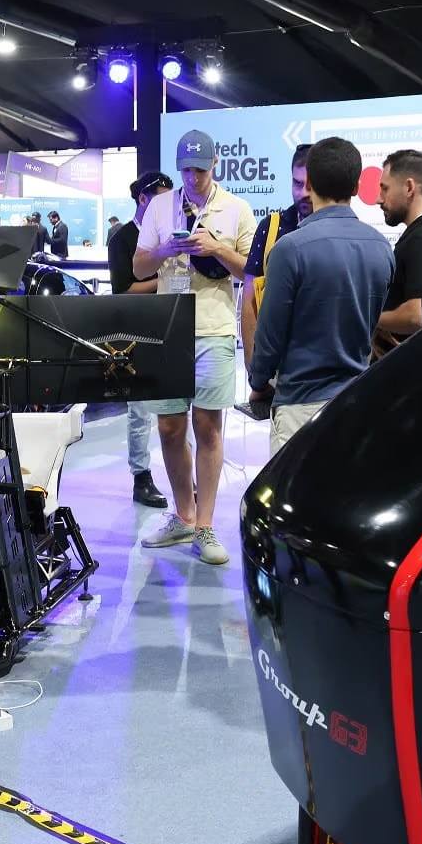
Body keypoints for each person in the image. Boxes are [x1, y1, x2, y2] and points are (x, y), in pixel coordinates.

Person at [133, 130, 254, 565]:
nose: (192, 178)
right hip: (168, 330)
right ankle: (183, 515)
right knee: (169, 428)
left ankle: (205, 525)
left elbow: (249, 270)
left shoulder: (236, 208)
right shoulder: (160, 206)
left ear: (215, 164)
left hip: (214, 330)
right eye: (186, 169)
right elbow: (138, 266)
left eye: (200, 170)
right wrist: (166, 249)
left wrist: (216, 248)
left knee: (208, 427)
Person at [247, 139, 393, 455]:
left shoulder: (289, 249)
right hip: (356, 401)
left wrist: (258, 383)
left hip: (299, 407)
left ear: (310, 183)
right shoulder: (382, 248)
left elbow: (269, 336)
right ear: (357, 187)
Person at [108, 172, 172, 508]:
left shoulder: (169, 234)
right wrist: (165, 279)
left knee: (178, 405)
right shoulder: (122, 239)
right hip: (135, 332)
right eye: (161, 198)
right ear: (143, 199)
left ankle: (184, 475)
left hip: (171, 326)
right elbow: (124, 290)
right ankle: (141, 477)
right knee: (140, 409)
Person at [242, 144, 313, 394]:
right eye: (297, 183)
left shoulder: (340, 231)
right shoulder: (271, 227)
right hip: (275, 368)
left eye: (311, 185)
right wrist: (254, 371)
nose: (303, 193)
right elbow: (250, 300)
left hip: (322, 367)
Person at [374, 149, 422, 355]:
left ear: (409, 187)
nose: (378, 199)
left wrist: (372, 320)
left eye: (385, 188)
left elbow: (417, 315)